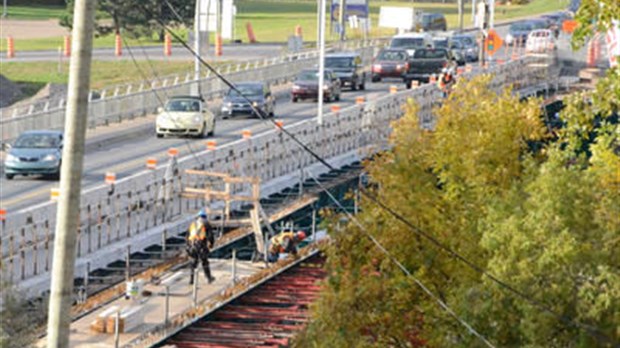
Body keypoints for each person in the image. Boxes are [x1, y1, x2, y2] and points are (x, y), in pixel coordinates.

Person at [186, 209, 215, 284]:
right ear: (204, 217)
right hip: (201, 245)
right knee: (204, 262)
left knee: (193, 262)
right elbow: (210, 236)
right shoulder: (206, 223)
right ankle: (209, 278)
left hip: (192, 245)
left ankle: (191, 280)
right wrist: (211, 245)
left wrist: (188, 246)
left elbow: (187, 236)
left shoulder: (192, 224)